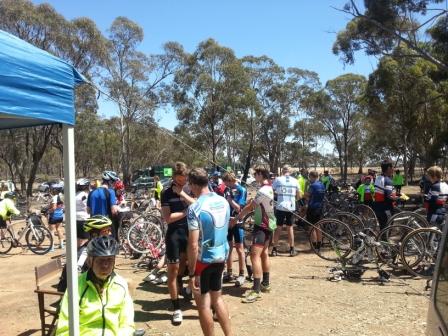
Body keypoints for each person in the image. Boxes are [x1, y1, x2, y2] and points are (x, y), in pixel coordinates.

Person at [55, 236, 135, 336]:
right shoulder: (76, 287)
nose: (105, 265)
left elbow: (127, 323)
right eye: (100, 260)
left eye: (109, 260)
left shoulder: (120, 285)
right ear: (89, 261)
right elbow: (65, 327)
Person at [187, 168, 233, 336]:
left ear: (193, 184)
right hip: (221, 256)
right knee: (218, 298)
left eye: (190, 186)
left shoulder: (195, 208)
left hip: (203, 260)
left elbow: (193, 244)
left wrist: (191, 273)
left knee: (204, 305)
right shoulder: (223, 201)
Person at [232, 165, 276, 303]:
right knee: (264, 254)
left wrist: (236, 218)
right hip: (269, 224)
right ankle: (266, 283)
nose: (254, 177)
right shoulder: (269, 187)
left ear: (260, 175)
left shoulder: (263, 190)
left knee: (254, 255)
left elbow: (251, 207)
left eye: (255, 174)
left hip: (262, 226)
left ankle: (256, 290)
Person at [161, 162, 196, 325]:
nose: (183, 181)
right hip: (174, 234)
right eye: (180, 178)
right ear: (174, 177)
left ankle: (186, 288)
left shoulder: (190, 190)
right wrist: (185, 212)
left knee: (190, 265)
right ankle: (176, 308)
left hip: (191, 233)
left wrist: (183, 194)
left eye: (185, 178)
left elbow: (197, 206)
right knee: (173, 270)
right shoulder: (166, 193)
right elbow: (168, 218)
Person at [221, 171, 247, 286]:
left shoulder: (242, 190)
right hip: (228, 222)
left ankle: (242, 274)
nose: (226, 186)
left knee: (240, 249)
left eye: (227, 183)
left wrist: (230, 199)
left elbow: (239, 209)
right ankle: (229, 272)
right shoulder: (227, 190)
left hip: (237, 222)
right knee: (228, 247)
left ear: (231, 181)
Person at [271, 165, 301, 257]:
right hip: (291, 207)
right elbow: (299, 194)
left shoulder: (278, 179)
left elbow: (272, 190)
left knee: (278, 227)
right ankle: (292, 249)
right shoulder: (295, 180)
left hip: (280, 206)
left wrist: (279, 194)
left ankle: (274, 249)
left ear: (282, 171)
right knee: (290, 228)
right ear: (290, 171)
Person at [373, 160, 396, 230]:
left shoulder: (378, 178)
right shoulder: (388, 180)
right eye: (392, 168)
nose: (393, 169)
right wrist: (400, 198)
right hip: (386, 209)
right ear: (389, 168)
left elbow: (382, 192)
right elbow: (390, 197)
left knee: (382, 228)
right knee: (388, 228)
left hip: (377, 208)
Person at [306, 171, 326, 250]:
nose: (309, 179)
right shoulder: (322, 185)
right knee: (318, 226)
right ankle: (319, 243)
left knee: (311, 226)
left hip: (312, 207)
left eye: (309, 177)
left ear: (311, 176)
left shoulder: (312, 186)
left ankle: (313, 244)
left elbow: (307, 195)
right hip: (320, 207)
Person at [48, 187, 65, 251]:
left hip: (54, 216)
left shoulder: (54, 197)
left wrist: (48, 210)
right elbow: (62, 206)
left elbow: (54, 207)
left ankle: (52, 247)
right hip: (60, 215)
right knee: (59, 229)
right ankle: (61, 245)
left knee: (51, 231)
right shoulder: (61, 197)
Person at [76, 178, 91, 248]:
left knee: (78, 239)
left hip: (76, 219)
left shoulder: (75, 195)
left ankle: (77, 255)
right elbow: (87, 206)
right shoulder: (84, 195)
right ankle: (82, 257)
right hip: (84, 219)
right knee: (85, 240)